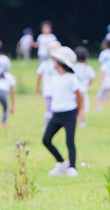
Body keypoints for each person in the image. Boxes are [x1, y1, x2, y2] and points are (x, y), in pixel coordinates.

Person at [42, 47, 83, 177]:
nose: (53, 63)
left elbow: (79, 96)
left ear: (61, 63)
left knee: (69, 141)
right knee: (46, 140)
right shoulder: (54, 78)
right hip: (56, 114)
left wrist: (78, 112)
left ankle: (72, 167)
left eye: (55, 61)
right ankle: (61, 162)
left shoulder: (71, 78)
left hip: (69, 113)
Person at [36, 40, 61, 127]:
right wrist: (37, 87)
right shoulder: (48, 64)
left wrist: (38, 87)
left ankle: (52, 125)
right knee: (50, 108)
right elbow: (39, 75)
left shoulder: (46, 63)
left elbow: (39, 75)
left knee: (51, 108)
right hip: (51, 90)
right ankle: (48, 126)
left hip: (51, 90)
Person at [73, 46, 96, 127]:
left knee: (75, 106)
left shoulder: (73, 67)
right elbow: (91, 79)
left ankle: (75, 120)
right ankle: (82, 122)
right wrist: (87, 84)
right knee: (82, 106)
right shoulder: (87, 68)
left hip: (74, 90)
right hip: (83, 89)